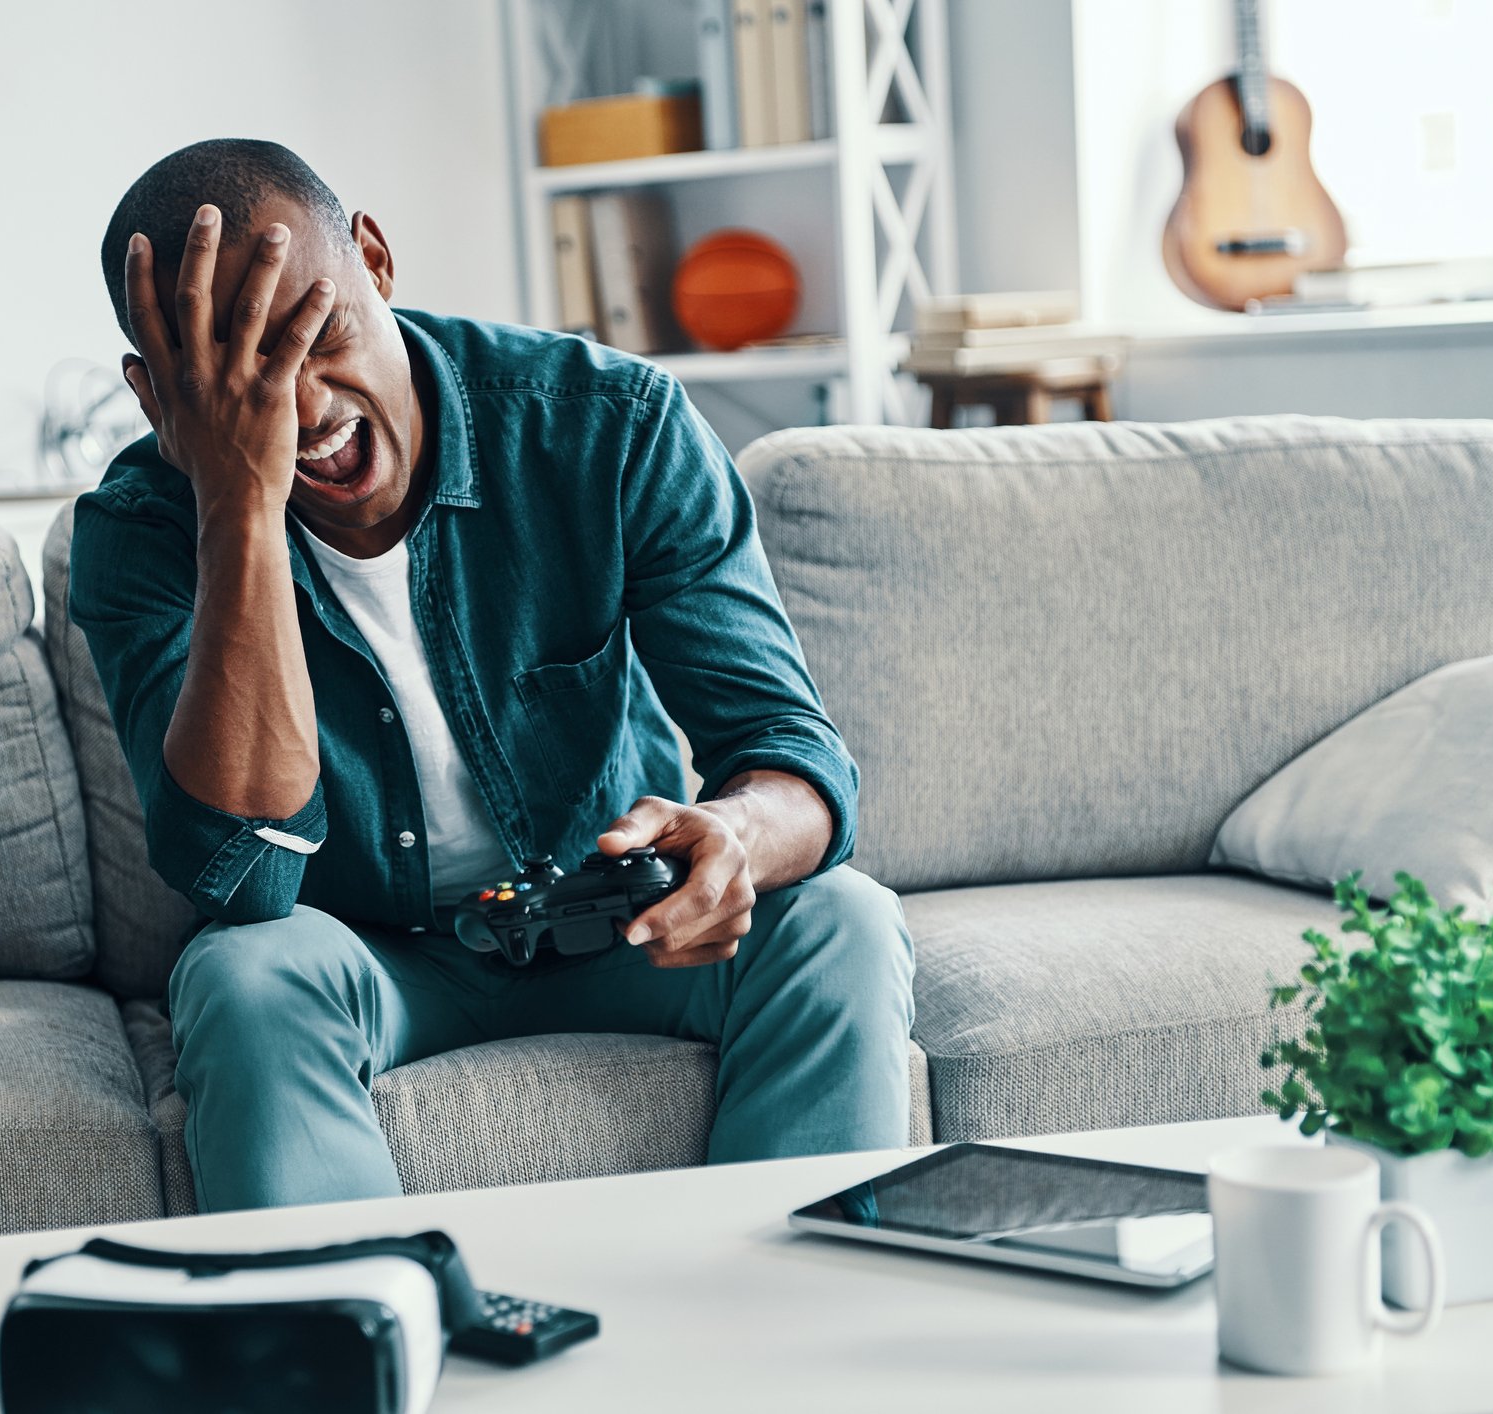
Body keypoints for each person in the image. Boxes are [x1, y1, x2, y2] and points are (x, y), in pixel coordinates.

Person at [70, 138, 914, 1213]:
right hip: (367, 955)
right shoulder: (140, 529)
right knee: (241, 976)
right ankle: (358, 1314)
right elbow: (243, 881)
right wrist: (238, 503)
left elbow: (789, 754)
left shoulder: (607, 426)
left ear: (375, 260)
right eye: (240, 383)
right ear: (158, 399)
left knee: (841, 919)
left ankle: (786, 1314)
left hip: (611, 918)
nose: (306, 409)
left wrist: (735, 836)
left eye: (319, 334)